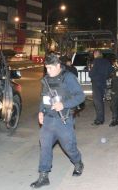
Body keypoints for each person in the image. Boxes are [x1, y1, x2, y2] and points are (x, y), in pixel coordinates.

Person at [30, 53, 85, 188]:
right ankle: (44, 175)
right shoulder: (47, 80)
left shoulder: (68, 78)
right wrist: (41, 112)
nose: (48, 71)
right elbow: (44, 98)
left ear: (58, 66)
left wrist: (64, 104)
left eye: (50, 68)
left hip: (63, 120)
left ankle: (78, 163)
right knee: (45, 146)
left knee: (69, 147)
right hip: (48, 120)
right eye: (46, 68)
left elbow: (81, 96)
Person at [89, 50, 113, 125]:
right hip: (103, 83)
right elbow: (111, 71)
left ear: (96, 54)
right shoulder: (106, 62)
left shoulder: (95, 62)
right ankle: (102, 118)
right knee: (101, 101)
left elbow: (91, 74)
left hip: (96, 83)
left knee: (98, 102)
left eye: (94, 54)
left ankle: (99, 120)